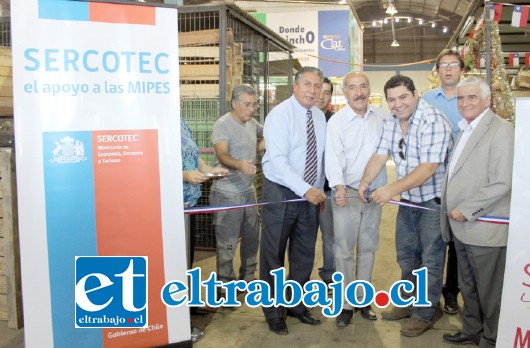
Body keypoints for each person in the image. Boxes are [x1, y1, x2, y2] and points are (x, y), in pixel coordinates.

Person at [359, 75, 452, 337]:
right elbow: (380, 153)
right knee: (407, 256)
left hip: (432, 203)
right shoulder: (391, 120)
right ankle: (409, 303)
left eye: (403, 97)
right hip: (409, 201)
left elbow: (428, 168)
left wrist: (390, 189)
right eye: (392, 99)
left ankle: (426, 312)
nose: (398, 104)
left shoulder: (432, 120)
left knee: (431, 260)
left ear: (415, 94)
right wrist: (365, 182)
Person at [440, 77, 514, 347]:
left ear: (486, 100)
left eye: (472, 97)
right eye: (460, 98)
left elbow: (502, 181)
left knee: (489, 290)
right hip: (461, 226)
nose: (465, 103)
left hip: (484, 226)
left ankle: (492, 338)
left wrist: (466, 209)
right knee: (468, 285)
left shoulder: (501, 130)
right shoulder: (464, 130)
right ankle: (471, 329)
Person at [260, 66, 328, 335]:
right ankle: (274, 311)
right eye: (308, 84)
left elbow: (320, 158)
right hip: (281, 192)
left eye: (317, 86)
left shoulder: (320, 117)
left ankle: (297, 305)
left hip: (310, 195)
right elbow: (277, 161)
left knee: (303, 254)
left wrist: (318, 188)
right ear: (296, 86)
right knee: (273, 255)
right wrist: (305, 189)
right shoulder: (279, 115)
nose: (313, 90)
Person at [325, 71, 387, 327]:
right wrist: (338, 187)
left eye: (363, 87)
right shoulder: (337, 122)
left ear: (369, 89)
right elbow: (333, 157)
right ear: (345, 92)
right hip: (347, 193)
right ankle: (345, 304)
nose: (358, 92)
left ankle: (363, 300)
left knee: (369, 248)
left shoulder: (382, 117)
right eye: (352, 87)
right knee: (343, 250)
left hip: (374, 193)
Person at [209, 85, 264, 298]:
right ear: (234, 104)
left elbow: (264, 136)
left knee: (252, 238)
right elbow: (222, 155)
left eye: (254, 104)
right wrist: (239, 164)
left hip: (248, 192)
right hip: (226, 193)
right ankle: (224, 289)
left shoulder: (252, 123)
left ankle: (248, 279)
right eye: (247, 105)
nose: (252, 109)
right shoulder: (223, 125)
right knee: (227, 245)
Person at [422, 49, 466, 315]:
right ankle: (430, 295)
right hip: (432, 179)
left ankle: (452, 292)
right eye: (443, 65)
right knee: (433, 239)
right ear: (437, 71)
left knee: (458, 241)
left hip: (462, 178)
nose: (448, 69)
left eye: (453, 65)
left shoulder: (470, 96)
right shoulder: (427, 100)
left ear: (462, 69)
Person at [181, 116, 228, 343]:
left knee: (186, 261)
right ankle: (177, 322)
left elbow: (193, 156)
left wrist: (209, 169)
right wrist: (183, 175)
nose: (178, 100)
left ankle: (187, 304)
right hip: (169, 206)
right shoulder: (155, 123)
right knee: (175, 264)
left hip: (188, 204)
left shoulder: (181, 122)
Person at [314, 77, 335, 286]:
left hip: (328, 191)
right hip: (303, 191)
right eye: (319, 89)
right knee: (303, 238)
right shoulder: (301, 118)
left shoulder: (336, 121)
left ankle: (329, 276)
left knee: (330, 238)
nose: (321, 95)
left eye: (327, 92)